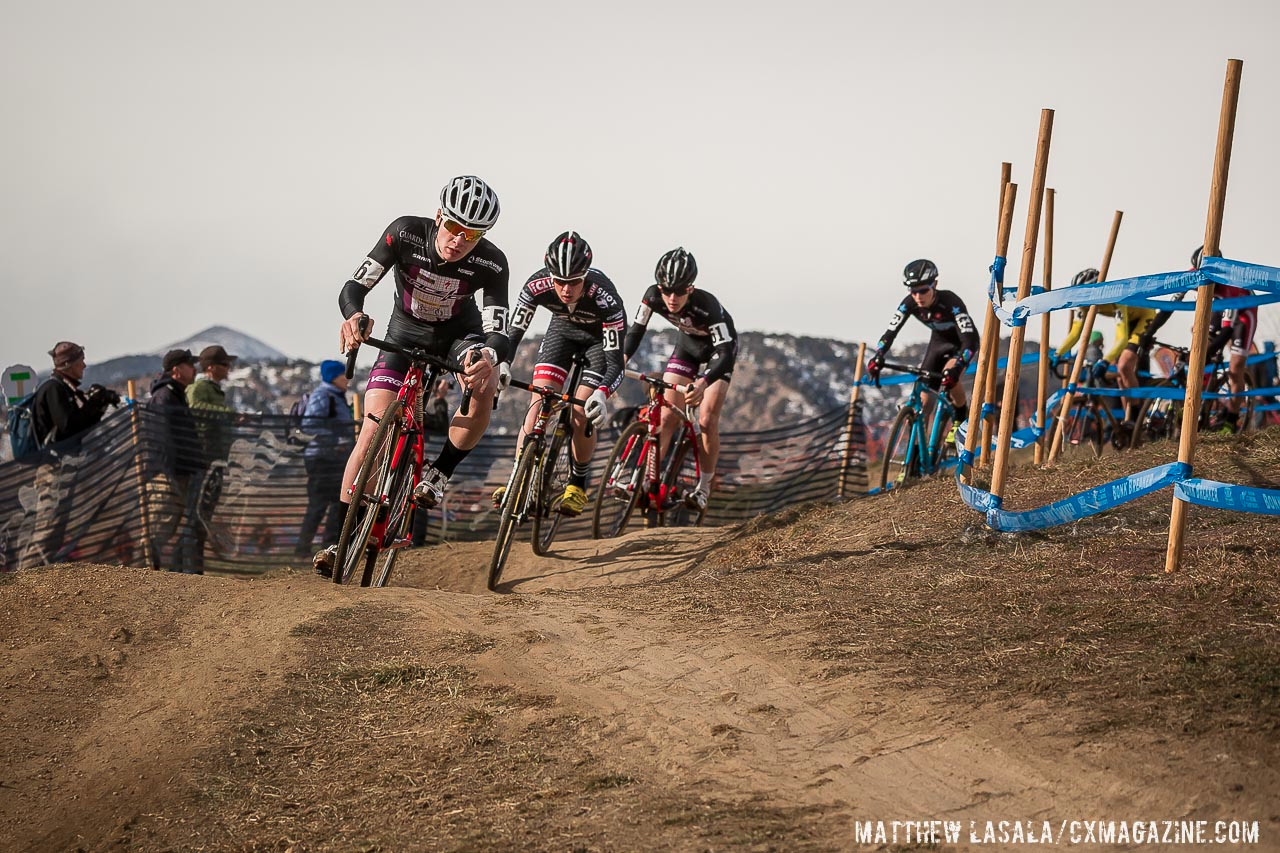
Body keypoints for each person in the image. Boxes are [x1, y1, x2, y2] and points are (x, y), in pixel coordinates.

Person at [316, 175, 509, 577]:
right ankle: (340, 540)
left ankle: (439, 473)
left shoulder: (492, 262)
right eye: (454, 227)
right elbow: (355, 286)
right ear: (439, 216)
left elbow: (499, 330)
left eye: (471, 235)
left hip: (459, 338)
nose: (459, 240)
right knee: (372, 431)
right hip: (403, 332)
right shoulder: (404, 232)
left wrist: (488, 355)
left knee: (485, 380)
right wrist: (354, 316)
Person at [497, 230, 627, 516]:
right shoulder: (536, 285)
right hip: (562, 333)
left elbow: (617, 362)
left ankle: (577, 484)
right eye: (559, 282)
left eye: (574, 282)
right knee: (538, 400)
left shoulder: (605, 298)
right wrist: (504, 362)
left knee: (580, 411)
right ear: (550, 274)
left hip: (598, 343)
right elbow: (515, 332)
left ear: (586, 275)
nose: (566, 289)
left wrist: (602, 394)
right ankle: (517, 479)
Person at [622, 247, 735, 512]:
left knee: (706, 420)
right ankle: (648, 481)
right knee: (666, 417)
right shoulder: (652, 296)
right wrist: (622, 359)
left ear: (691, 288)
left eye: (680, 291)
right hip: (687, 348)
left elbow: (725, 354)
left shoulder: (708, 308)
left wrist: (704, 383)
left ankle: (704, 488)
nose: (672, 298)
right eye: (666, 290)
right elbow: (636, 330)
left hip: (718, 356)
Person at [866, 259, 979, 431]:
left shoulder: (951, 302)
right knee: (925, 402)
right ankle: (919, 451)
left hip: (962, 344)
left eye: (923, 290)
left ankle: (960, 418)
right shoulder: (909, 303)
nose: (918, 297)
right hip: (938, 344)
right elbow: (891, 332)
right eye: (913, 291)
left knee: (950, 376)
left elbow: (970, 341)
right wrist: (878, 355)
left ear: (935, 284)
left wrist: (958, 368)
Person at [1052, 267, 1157, 438]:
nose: (1082, 299)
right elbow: (1075, 333)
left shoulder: (1114, 299)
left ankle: (1137, 416)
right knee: (1118, 371)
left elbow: (1122, 338)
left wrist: (1105, 361)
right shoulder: (1083, 304)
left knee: (1124, 365)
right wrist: (1057, 354)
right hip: (1127, 322)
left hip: (1144, 317)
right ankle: (1128, 418)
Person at [146, 349, 205, 573]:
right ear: (176, 370)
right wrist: (167, 472)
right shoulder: (165, 396)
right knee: (161, 523)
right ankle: (145, 572)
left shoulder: (176, 394)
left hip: (179, 472)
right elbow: (162, 439)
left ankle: (157, 571)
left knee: (171, 524)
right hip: (167, 474)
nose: (195, 369)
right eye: (190, 365)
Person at [294, 360, 354, 560]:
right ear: (333, 377)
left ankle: (328, 547)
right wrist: (336, 440)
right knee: (318, 504)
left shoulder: (337, 397)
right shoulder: (323, 396)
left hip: (334, 458)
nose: (347, 378)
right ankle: (302, 550)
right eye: (343, 374)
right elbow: (310, 425)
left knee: (337, 502)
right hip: (321, 458)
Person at [31, 341, 119, 451]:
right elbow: (69, 428)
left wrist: (100, 404)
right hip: (54, 462)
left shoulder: (66, 388)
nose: (84, 365)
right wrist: (93, 403)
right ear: (69, 365)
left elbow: (83, 425)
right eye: (81, 361)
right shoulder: (54, 389)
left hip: (66, 458)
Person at [187, 345, 238, 464]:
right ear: (211, 367)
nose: (228, 367)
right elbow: (194, 406)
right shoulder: (199, 386)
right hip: (204, 451)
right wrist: (229, 413)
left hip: (215, 450)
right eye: (224, 364)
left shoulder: (211, 387)